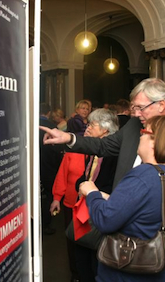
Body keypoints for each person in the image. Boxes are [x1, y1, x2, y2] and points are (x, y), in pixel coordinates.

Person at [40, 78, 165, 282]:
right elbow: (104, 146)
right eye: (134, 108)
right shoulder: (134, 126)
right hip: (123, 235)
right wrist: (69, 138)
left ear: (161, 104)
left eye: (141, 108)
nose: (136, 114)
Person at [79, 115, 165, 281]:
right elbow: (148, 211)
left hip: (130, 275)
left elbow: (104, 220)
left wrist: (92, 193)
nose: (140, 136)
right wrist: (110, 198)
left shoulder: (142, 176)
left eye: (144, 132)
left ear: (155, 141)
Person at [50, 108, 118, 282]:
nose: (87, 128)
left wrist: (93, 192)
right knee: (80, 254)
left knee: (97, 259)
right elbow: (85, 175)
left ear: (105, 130)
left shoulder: (114, 156)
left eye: (92, 125)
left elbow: (112, 185)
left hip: (100, 212)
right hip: (83, 210)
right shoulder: (91, 151)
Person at [39, 103, 63, 235]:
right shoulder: (52, 127)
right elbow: (57, 150)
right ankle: (45, 225)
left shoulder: (29, 123)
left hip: (33, 166)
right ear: (48, 113)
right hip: (49, 166)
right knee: (48, 196)